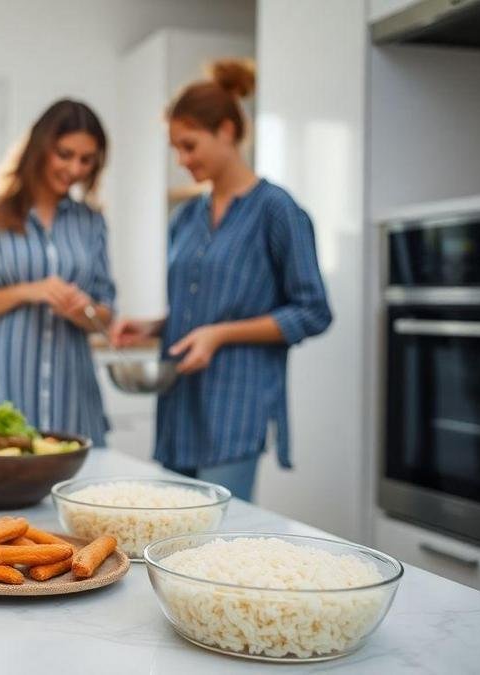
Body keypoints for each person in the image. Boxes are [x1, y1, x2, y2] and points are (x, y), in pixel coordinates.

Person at [110, 60, 332, 501]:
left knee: (216, 548)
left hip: (236, 406)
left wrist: (221, 335)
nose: (182, 160)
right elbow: (202, 305)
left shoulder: (277, 211)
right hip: (179, 405)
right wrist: (152, 326)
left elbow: (313, 311)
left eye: (189, 146)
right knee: (169, 538)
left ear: (227, 131)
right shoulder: (187, 216)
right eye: (176, 149)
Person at [0, 99, 115, 446]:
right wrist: (25, 291)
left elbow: (106, 315)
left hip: (72, 400)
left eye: (86, 159)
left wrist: (84, 311)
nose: (74, 168)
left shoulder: (91, 222)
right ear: (41, 147)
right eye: (64, 154)